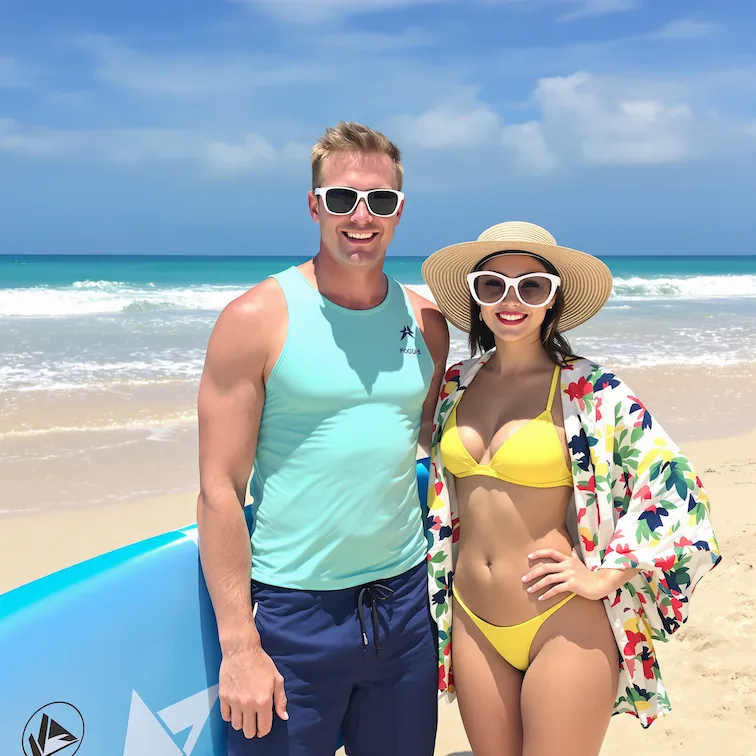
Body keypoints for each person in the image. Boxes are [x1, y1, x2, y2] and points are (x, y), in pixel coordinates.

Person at [195, 121, 449, 756]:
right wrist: (239, 646)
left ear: (399, 210)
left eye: (379, 200)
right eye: (342, 198)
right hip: (293, 615)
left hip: (404, 606)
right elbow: (220, 487)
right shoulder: (255, 319)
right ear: (315, 206)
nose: (361, 216)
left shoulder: (427, 322)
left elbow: (435, 438)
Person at [420, 221, 721, 755]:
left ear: (552, 299)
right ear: (477, 297)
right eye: (493, 284)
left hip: (561, 618)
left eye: (531, 286)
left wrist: (608, 574)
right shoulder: (454, 384)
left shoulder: (589, 388)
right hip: (471, 617)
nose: (511, 300)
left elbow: (674, 483)